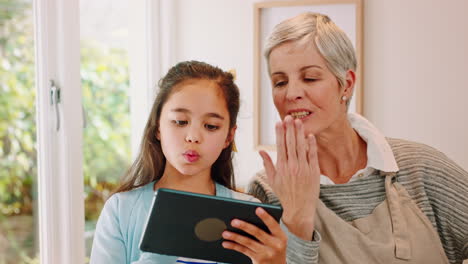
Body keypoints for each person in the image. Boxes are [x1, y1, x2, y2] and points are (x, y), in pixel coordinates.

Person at [247, 12, 468, 264]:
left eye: (310, 78)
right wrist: (297, 221)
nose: (292, 93)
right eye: (280, 82)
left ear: (347, 84)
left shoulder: (421, 169)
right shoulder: (266, 192)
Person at [90, 61, 287, 264]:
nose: (193, 137)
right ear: (158, 126)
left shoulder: (249, 213)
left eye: (211, 126)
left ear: (229, 137)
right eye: (180, 122)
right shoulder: (121, 210)